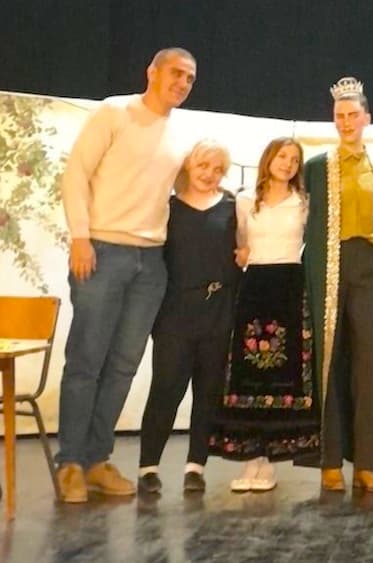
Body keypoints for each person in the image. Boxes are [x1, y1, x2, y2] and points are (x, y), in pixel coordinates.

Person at [57, 47, 197, 503]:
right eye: (176, 73)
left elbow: (190, 191)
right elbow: (76, 174)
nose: (182, 82)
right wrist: (80, 236)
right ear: (152, 72)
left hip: (151, 261)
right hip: (102, 249)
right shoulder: (114, 112)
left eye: (190, 78)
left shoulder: (180, 135)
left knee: (122, 366)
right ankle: (70, 463)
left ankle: (97, 459)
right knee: (86, 360)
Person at [303, 77, 373, 493]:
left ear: (367, 118)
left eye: (352, 114)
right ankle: (329, 460)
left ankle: (369, 463)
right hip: (328, 263)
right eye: (339, 115)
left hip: (370, 266)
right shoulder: (316, 167)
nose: (345, 122)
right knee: (329, 359)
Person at [208, 137, 318, 492]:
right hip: (253, 286)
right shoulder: (244, 201)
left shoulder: (304, 202)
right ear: (268, 158)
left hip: (290, 286)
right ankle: (250, 459)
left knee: (282, 373)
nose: (287, 163)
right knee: (249, 372)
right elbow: (241, 245)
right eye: (282, 156)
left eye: (294, 159)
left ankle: (270, 463)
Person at [136, 139, 238, 494]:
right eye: (203, 166)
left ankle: (196, 466)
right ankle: (148, 467)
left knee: (208, 391)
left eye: (217, 169)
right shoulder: (169, 208)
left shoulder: (232, 207)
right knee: (166, 389)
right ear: (188, 167)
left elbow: (242, 251)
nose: (209, 174)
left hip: (219, 311)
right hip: (175, 313)